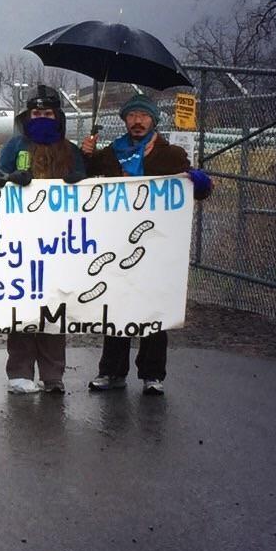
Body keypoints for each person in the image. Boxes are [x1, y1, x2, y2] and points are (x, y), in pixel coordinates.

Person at [81, 93, 212, 396]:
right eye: (132, 115)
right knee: (116, 307)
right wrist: (85, 154)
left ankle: (152, 374)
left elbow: (193, 190)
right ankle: (112, 371)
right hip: (116, 241)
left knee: (154, 309)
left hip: (156, 245)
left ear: (154, 120)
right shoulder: (112, 153)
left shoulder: (171, 154)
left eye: (143, 116)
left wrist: (199, 182)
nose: (137, 121)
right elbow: (85, 181)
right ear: (125, 120)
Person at [0, 84, 85, 395]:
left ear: (56, 116)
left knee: (54, 307)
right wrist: (10, 180)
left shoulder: (70, 150)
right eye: (36, 113)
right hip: (21, 240)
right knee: (21, 308)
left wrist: (80, 181)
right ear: (28, 116)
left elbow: (91, 193)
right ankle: (19, 372)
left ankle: (52, 374)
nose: (41, 117)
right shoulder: (15, 146)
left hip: (60, 241)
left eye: (47, 113)